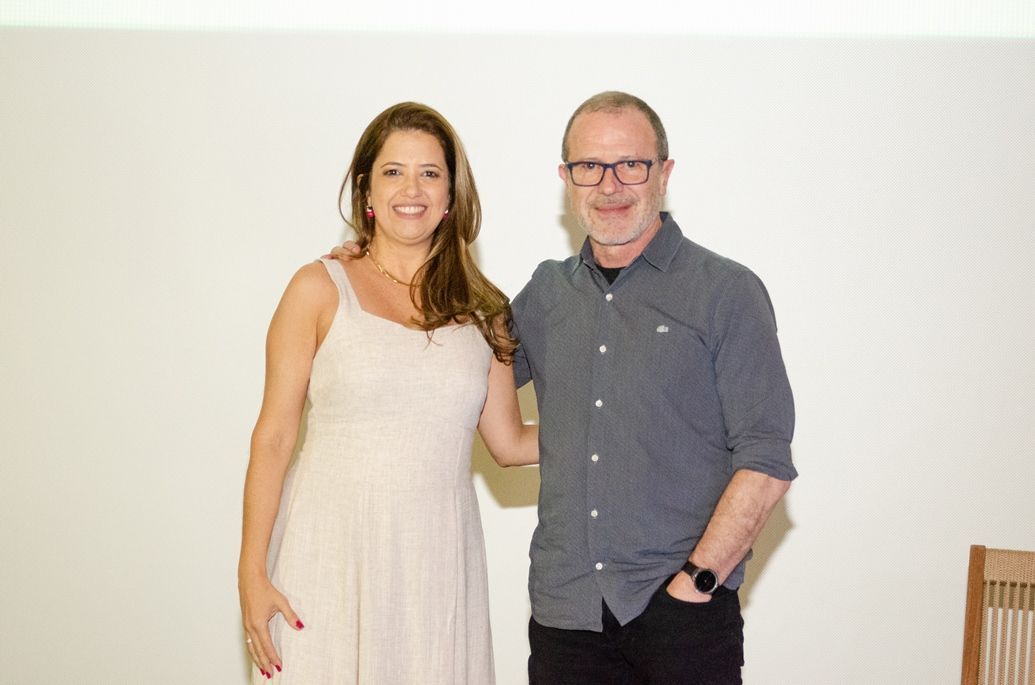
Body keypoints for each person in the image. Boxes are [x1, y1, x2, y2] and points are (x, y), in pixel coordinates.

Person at [238, 101, 537, 684]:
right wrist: (251, 573)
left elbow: (510, 442)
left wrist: (616, 433)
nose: (413, 189)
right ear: (366, 188)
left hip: (436, 571)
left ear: (452, 195)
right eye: (394, 171)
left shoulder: (485, 313)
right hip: (325, 562)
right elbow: (273, 437)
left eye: (430, 173)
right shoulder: (317, 288)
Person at [510, 91, 796, 684]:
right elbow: (454, 366)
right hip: (566, 621)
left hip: (680, 624)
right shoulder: (545, 295)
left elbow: (765, 463)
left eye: (631, 165)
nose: (609, 185)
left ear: (663, 174)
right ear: (566, 179)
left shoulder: (726, 292)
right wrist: (379, 262)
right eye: (589, 166)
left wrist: (696, 584)